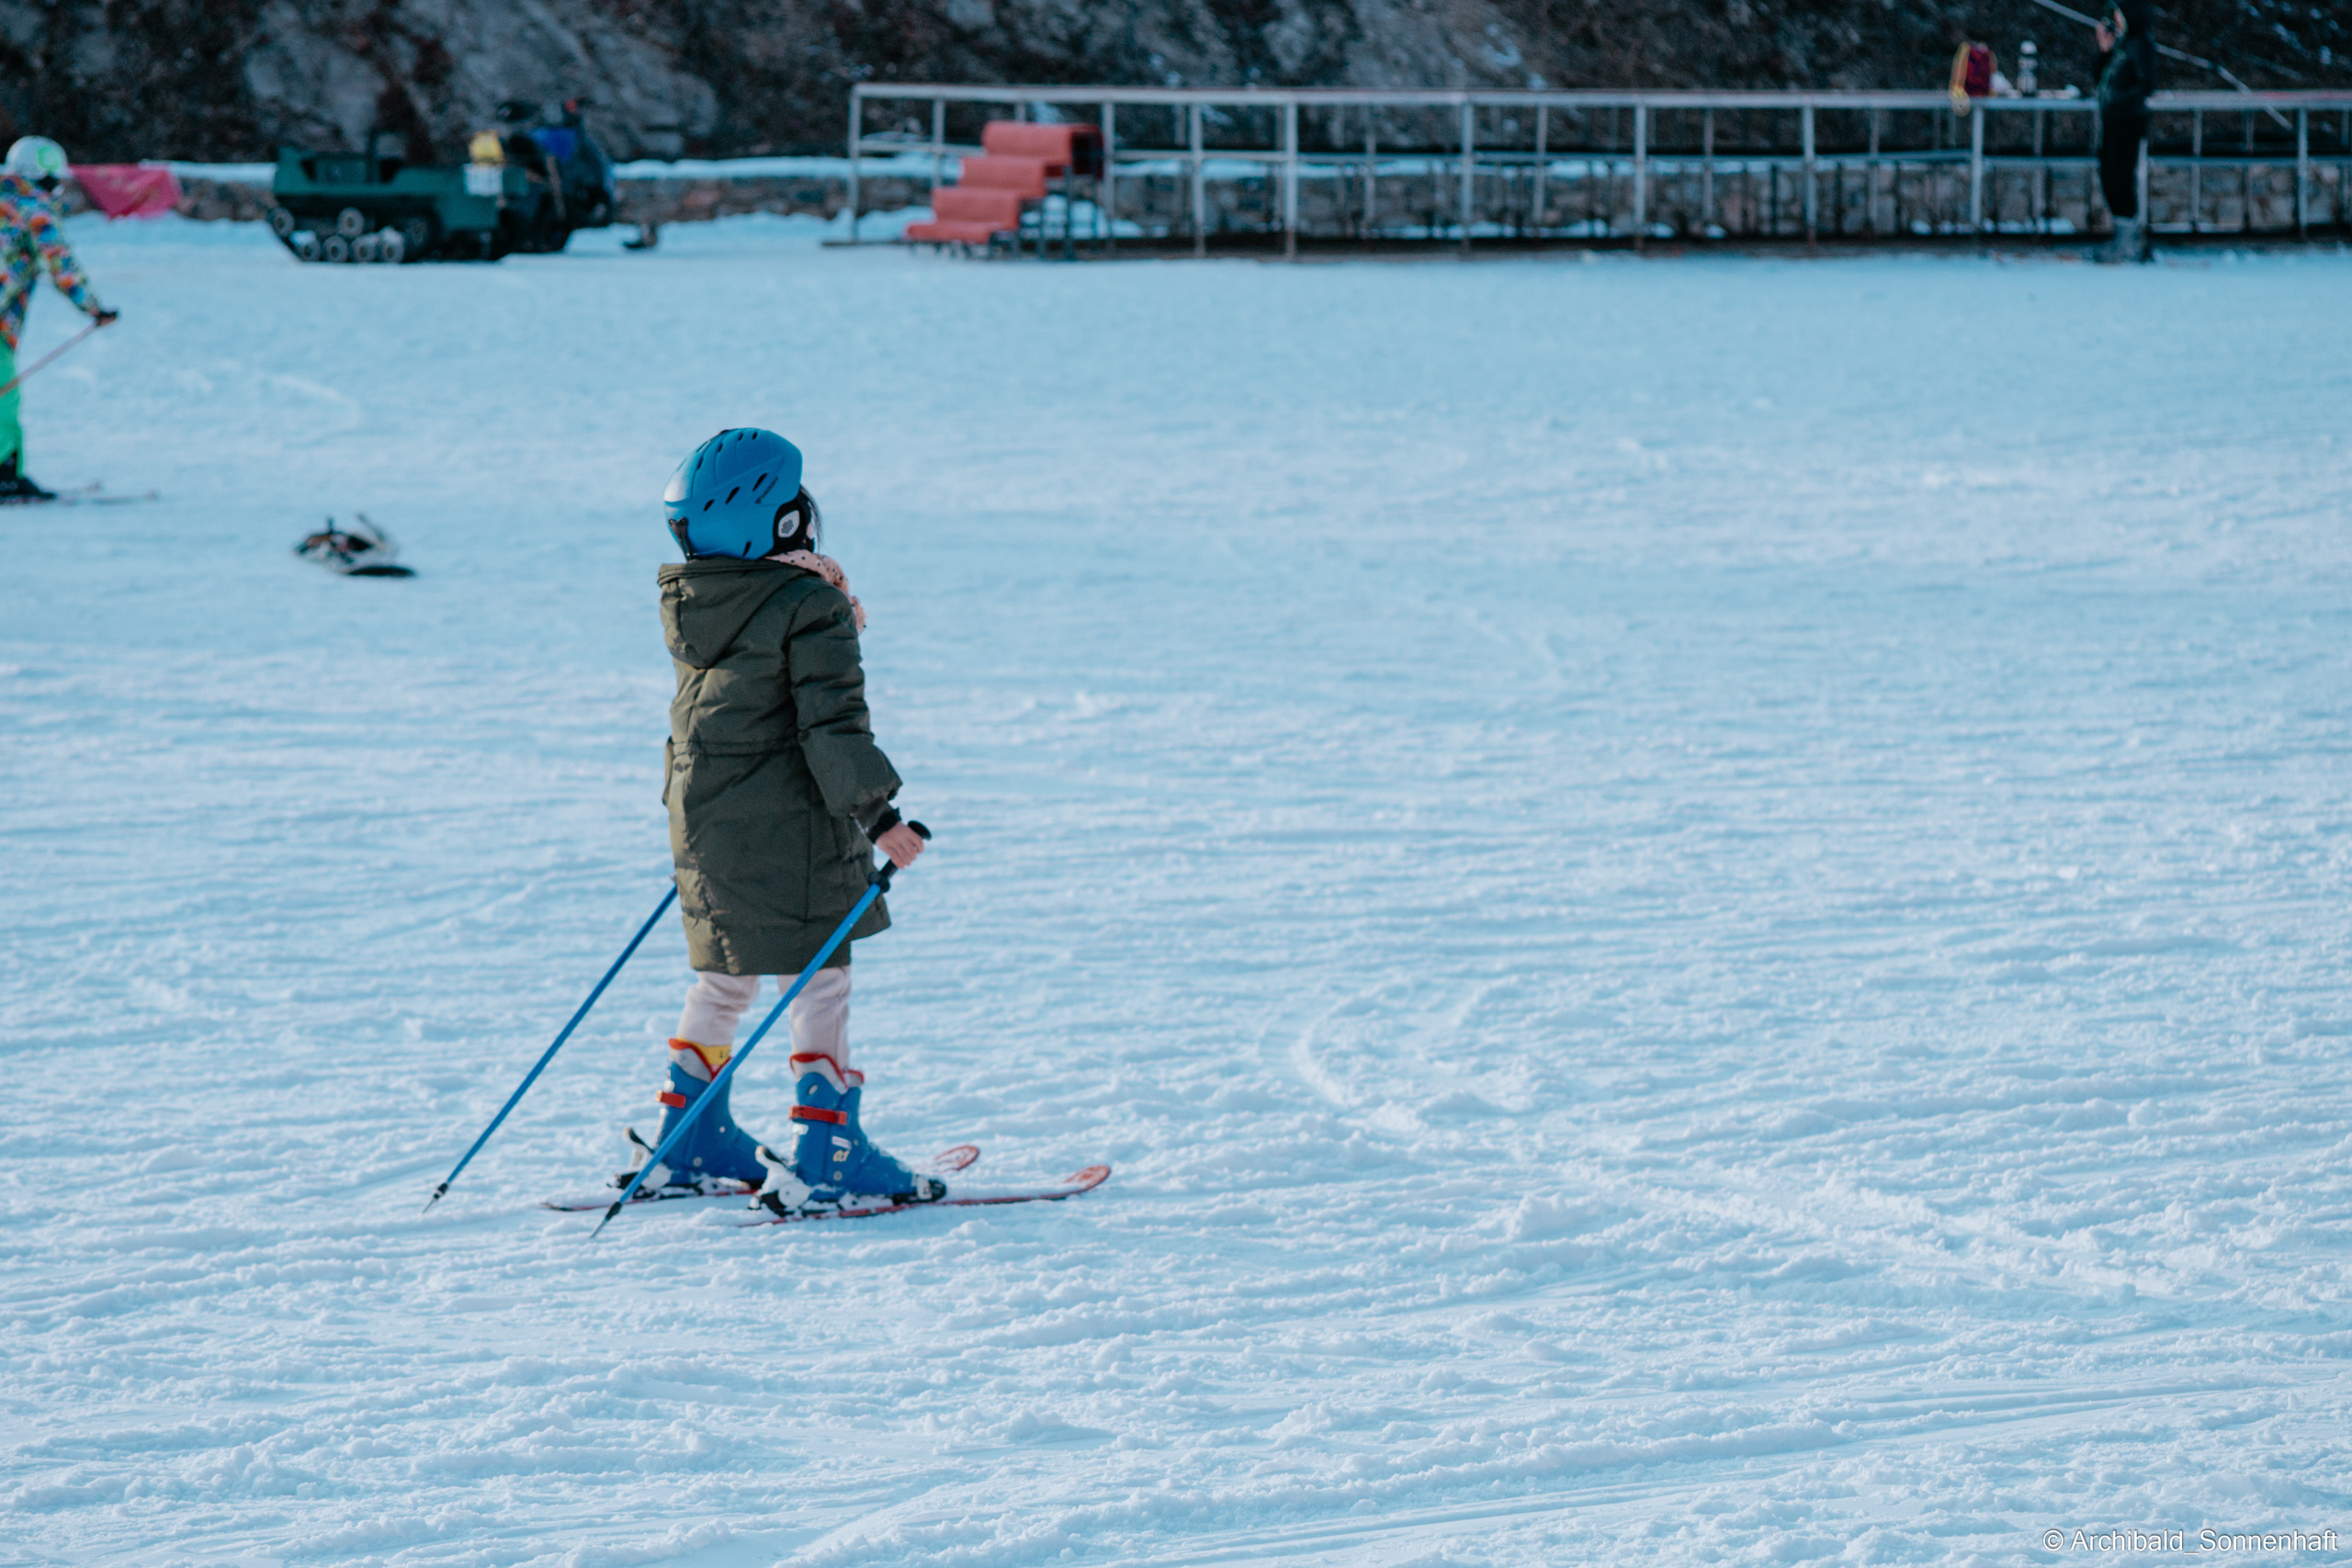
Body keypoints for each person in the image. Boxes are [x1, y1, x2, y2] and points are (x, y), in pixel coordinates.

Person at [624, 426, 944, 1216]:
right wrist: (881, 817)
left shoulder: (701, 604)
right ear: (780, 523)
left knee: (725, 975)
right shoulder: (809, 604)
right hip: (787, 825)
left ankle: (686, 1138)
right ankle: (828, 1152)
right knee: (820, 976)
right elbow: (830, 726)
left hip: (705, 822)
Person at [0, 135, 116, 502]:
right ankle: (3, 473)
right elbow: (61, 266)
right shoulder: (35, 210)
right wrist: (93, 308)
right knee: (4, 397)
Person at [2093, 0, 2156, 262]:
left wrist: (2119, 100)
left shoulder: (2140, 44)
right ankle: (2123, 235)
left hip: (2127, 120)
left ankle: (2129, 241)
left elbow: (2146, 84)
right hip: (2112, 119)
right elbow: (2098, 77)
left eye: (2118, 15)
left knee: (2121, 177)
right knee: (2108, 174)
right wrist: (2104, 51)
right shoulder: (2120, 45)